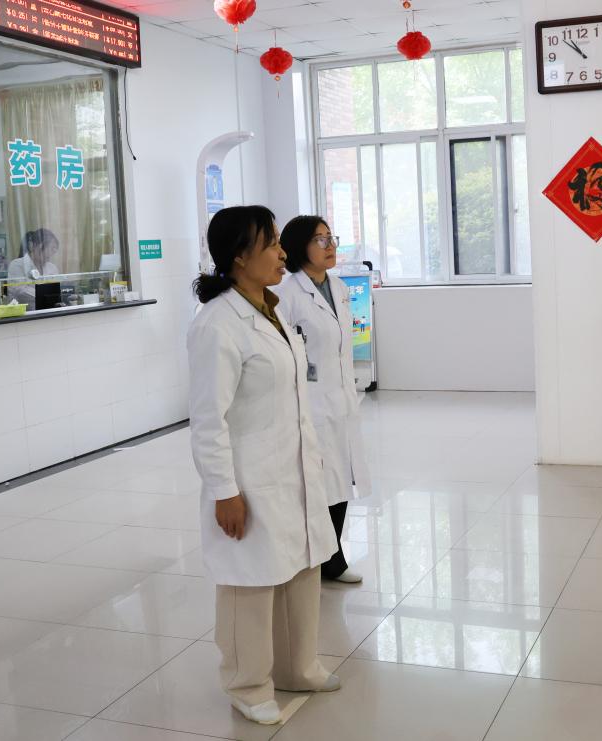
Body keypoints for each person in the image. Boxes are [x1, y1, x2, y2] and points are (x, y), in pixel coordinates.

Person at [187, 206, 342, 725]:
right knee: (249, 584)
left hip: (292, 467)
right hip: (250, 476)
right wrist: (224, 490)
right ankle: (247, 684)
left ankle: (298, 666)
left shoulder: (271, 310)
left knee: (301, 567)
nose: (282, 252)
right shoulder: (218, 324)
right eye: (272, 243)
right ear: (238, 256)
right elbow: (207, 419)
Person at [274, 215, 371, 584]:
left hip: (341, 398)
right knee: (319, 483)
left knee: (340, 478)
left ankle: (331, 557)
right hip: (310, 403)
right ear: (300, 247)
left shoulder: (339, 287)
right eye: (320, 240)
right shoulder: (286, 294)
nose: (330, 246)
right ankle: (324, 558)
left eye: (331, 238)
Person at [7, 228, 60, 308]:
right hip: (25, 313)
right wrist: (46, 295)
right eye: (51, 248)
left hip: (49, 310)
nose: (51, 253)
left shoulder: (52, 267)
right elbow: (20, 291)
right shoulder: (17, 265)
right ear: (34, 246)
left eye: (54, 250)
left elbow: (56, 291)